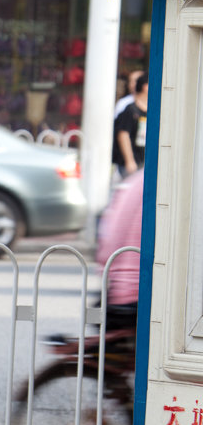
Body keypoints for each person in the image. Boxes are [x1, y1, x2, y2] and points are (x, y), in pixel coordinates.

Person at [95, 171, 143, 331]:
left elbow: (106, 246)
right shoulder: (171, 186)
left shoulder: (134, 181)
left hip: (115, 292)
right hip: (142, 296)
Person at [113, 73, 148, 178]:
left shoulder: (152, 110)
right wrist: (129, 160)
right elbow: (123, 134)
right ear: (145, 87)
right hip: (131, 163)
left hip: (144, 160)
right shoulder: (129, 109)